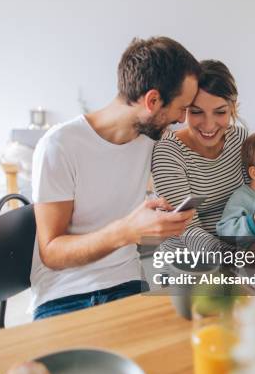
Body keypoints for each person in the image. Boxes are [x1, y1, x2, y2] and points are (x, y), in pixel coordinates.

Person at [31, 36, 200, 320]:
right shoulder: (59, 145)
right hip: (64, 294)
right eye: (181, 107)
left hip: (127, 284)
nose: (182, 118)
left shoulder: (152, 139)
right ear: (153, 100)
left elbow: (208, 137)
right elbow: (51, 253)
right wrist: (126, 232)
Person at [151, 60, 247, 257]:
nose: (209, 125)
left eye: (220, 112)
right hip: (189, 264)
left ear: (232, 107)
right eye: (196, 112)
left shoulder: (240, 139)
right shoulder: (168, 152)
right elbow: (187, 229)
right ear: (185, 109)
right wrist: (241, 257)